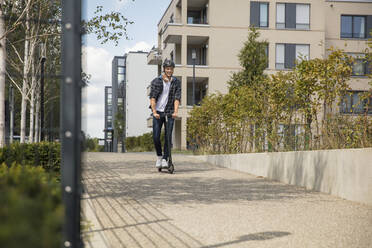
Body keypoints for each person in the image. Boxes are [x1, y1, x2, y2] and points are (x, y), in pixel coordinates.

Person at [149, 59, 181, 168]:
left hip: (169, 112)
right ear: (164, 69)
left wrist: (175, 111)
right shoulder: (156, 81)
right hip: (158, 112)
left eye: (171, 69)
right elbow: (152, 98)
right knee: (156, 137)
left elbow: (177, 98)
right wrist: (154, 112)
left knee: (168, 137)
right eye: (167, 69)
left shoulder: (176, 82)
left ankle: (165, 159)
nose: (169, 71)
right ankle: (159, 156)